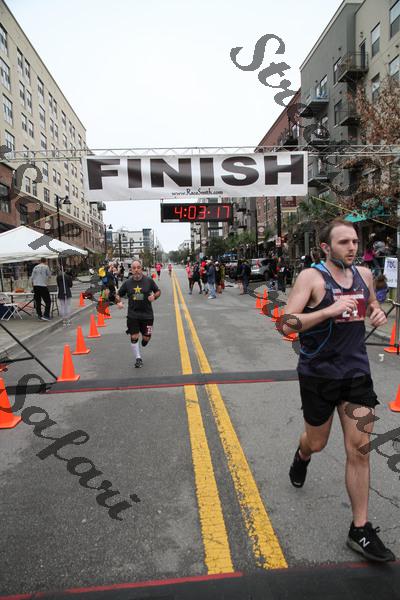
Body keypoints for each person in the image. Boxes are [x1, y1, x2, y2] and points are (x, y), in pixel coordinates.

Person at [284, 217, 395, 562]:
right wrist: (328, 310)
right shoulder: (311, 278)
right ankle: (302, 455)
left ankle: (359, 528)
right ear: (325, 247)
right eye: (344, 242)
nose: (352, 247)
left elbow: (372, 305)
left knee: (360, 449)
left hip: (356, 374)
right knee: (317, 442)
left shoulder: (364, 274)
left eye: (355, 242)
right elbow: (285, 323)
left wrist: (376, 313)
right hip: (318, 375)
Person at [115, 259, 161, 368]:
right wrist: (119, 301)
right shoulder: (127, 283)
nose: (136, 270)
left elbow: (158, 291)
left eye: (138, 268)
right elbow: (118, 294)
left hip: (147, 315)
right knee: (134, 336)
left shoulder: (148, 280)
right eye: (134, 268)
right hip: (133, 315)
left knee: (146, 338)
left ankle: (145, 340)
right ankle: (138, 358)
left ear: (141, 269)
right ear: (131, 270)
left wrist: (154, 296)